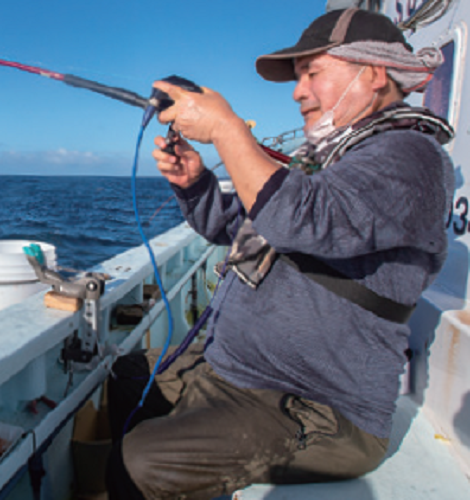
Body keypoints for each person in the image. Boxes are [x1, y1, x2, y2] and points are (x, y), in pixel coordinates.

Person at [105, 8, 454, 500]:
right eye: (297, 77)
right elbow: (230, 225)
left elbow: (298, 219)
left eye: (313, 73)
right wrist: (196, 182)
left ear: (374, 75)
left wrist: (227, 130)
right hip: (233, 366)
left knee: (139, 462)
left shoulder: (410, 158)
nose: (297, 92)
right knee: (128, 379)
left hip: (317, 404)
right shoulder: (328, 159)